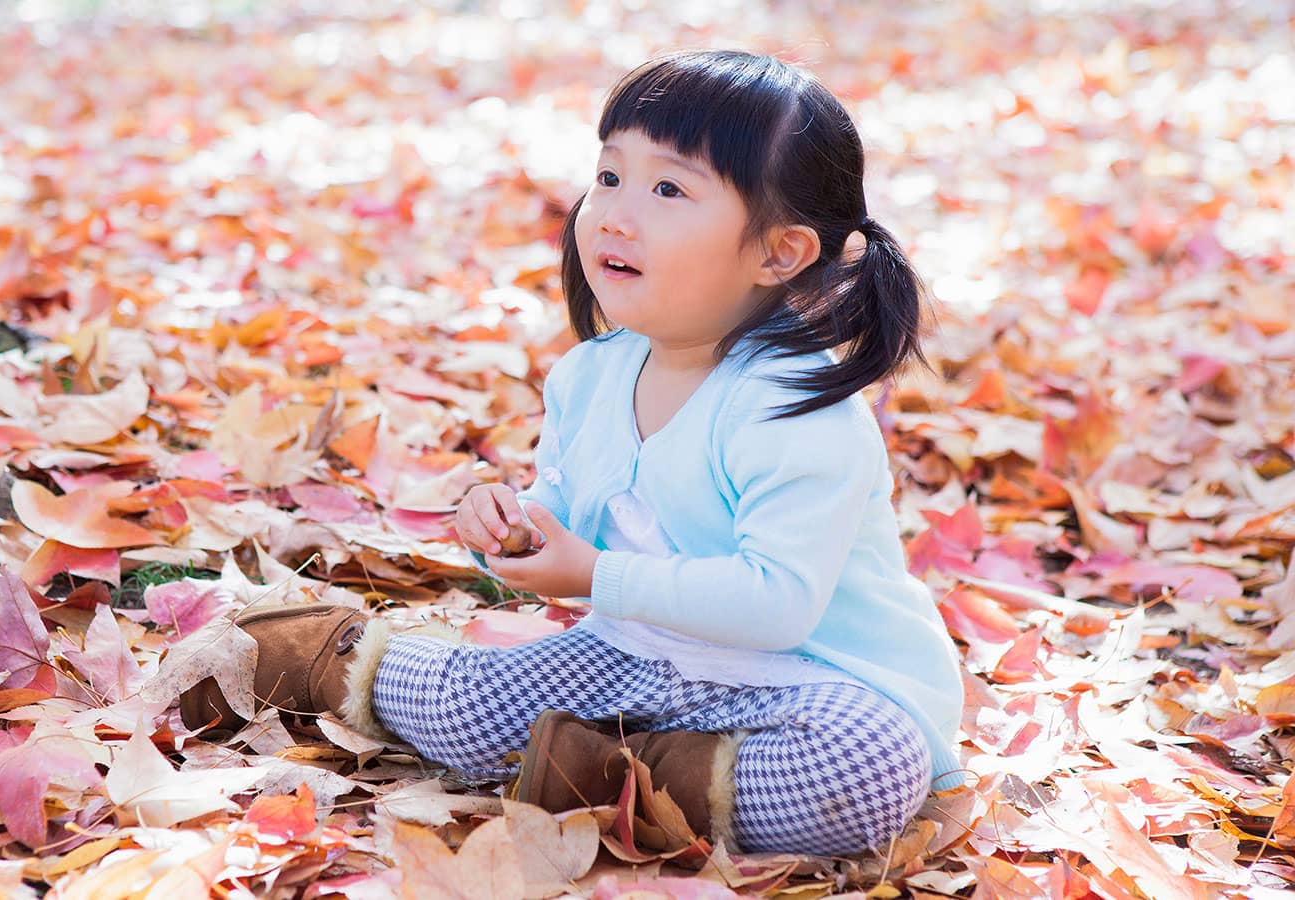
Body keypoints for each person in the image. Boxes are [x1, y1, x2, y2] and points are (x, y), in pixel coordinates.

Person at [179, 49, 965, 860]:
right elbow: (567, 513)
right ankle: (336, 659)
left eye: (668, 189)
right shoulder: (593, 373)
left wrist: (595, 575)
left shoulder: (797, 408)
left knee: (863, 775)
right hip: (639, 657)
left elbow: (777, 606)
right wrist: (514, 525)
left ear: (778, 253)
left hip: (808, 683)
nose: (615, 215)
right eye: (609, 176)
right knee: (470, 705)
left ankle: (613, 776)